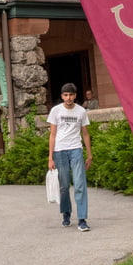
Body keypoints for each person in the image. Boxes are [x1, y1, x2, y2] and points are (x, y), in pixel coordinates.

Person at [48, 83, 93, 232]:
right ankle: (66, 213)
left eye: (71, 95)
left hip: (76, 149)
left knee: (80, 184)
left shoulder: (81, 111)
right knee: (64, 185)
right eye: (66, 95)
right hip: (60, 151)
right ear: (62, 96)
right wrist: (50, 157)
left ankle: (82, 219)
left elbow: (85, 133)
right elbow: (52, 134)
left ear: (75, 96)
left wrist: (89, 154)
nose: (68, 98)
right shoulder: (56, 111)